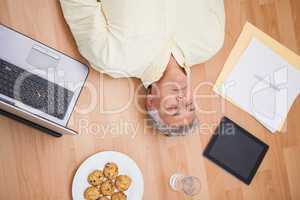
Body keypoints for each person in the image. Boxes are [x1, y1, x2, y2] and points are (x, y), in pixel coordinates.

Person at [60, 0, 225, 136]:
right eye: (189, 105)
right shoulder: (210, 43)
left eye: (173, 108)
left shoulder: (111, 58)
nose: (182, 100)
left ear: (151, 102)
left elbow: (78, 4)